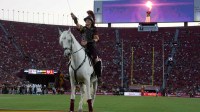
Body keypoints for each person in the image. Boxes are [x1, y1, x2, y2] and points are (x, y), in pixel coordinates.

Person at [71, 10, 102, 78]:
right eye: (86, 20)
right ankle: (72, 73)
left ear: (91, 21)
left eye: (88, 20)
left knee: (96, 59)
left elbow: (96, 38)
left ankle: (98, 77)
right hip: (82, 46)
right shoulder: (83, 28)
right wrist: (75, 19)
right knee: (73, 55)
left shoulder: (94, 29)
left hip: (91, 46)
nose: (86, 21)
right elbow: (78, 25)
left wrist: (88, 42)